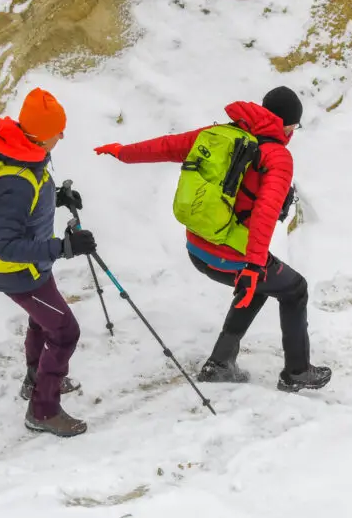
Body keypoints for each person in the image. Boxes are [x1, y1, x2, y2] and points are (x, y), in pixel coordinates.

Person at [94, 86, 331, 392]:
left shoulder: (220, 134)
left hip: (197, 249)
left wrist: (122, 152)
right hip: (232, 257)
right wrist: (251, 267)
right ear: (286, 124)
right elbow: (265, 212)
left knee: (259, 287)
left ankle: (220, 363)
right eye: (293, 126)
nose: (292, 132)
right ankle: (297, 372)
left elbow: (168, 146)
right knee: (295, 289)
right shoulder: (278, 157)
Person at [0, 87, 97, 437]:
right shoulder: (15, 179)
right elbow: (6, 245)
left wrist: (57, 196)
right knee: (65, 332)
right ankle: (43, 410)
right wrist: (63, 247)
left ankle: (34, 381)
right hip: (18, 273)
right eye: (57, 130)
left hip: (32, 269)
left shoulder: (25, 153)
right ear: (38, 133)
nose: (62, 136)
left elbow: (31, 198)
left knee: (44, 322)